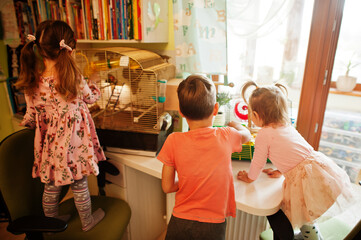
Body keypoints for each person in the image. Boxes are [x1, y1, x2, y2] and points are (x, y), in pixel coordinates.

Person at [16, 20, 106, 231]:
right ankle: (87, 221)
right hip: (75, 143)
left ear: (38, 48)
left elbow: (31, 115)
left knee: (51, 186)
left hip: (51, 144)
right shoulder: (72, 76)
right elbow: (90, 98)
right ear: (69, 47)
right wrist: (95, 85)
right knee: (79, 183)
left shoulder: (33, 81)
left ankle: (52, 223)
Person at [237, 81, 355, 240]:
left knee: (286, 215)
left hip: (305, 178)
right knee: (307, 214)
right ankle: (313, 237)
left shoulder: (264, 134)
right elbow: (295, 154)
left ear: (256, 115)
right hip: (317, 168)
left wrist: (249, 177)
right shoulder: (286, 126)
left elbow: (258, 162)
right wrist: (280, 170)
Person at [157, 74, 251, 240]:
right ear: (215, 109)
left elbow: (167, 187)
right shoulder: (226, 135)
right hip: (212, 225)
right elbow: (247, 135)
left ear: (181, 112)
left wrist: (188, 181)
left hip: (180, 221)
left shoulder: (173, 140)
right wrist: (235, 124)